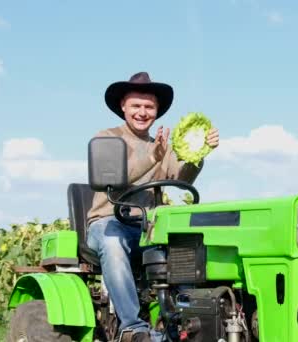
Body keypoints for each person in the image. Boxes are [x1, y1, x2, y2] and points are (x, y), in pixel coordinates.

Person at [85, 71, 219, 342]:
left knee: (189, 247)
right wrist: (151, 157)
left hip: (146, 228)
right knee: (113, 241)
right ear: (123, 106)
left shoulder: (161, 146)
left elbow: (180, 178)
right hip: (107, 223)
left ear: (157, 111)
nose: (142, 112)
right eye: (136, 105)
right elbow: (118, 180)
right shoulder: (108, 139)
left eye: (149, 107)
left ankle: (188, 324)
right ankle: (132, 328)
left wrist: (199, 154)